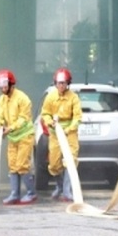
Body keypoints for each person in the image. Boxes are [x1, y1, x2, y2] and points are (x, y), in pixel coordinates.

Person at [0, 69, 37, 205]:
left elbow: (23, 119)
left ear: (11, 84)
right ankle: (14, 194)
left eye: (5, 85)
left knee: (22, 165)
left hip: (25, 136)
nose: (3, 88)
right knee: (12, 166)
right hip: (13, 138)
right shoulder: (2, 99)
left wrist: (9, 128)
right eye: (1, 86)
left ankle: (31, 193)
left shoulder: (23, 99)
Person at [39, 67, 82, 202]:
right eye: (59, 83)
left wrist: (69, 129)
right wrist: (50, 122)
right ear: (55, 83)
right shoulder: (51, 97)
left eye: (63, 83)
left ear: (68, 83)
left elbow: (77, 117)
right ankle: (60, 186)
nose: (61, 85)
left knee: (70, 161)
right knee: (54, 164)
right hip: (55, 133)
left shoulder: (73, 98)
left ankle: (67, 190)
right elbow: (45, 113)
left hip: (70, 134)